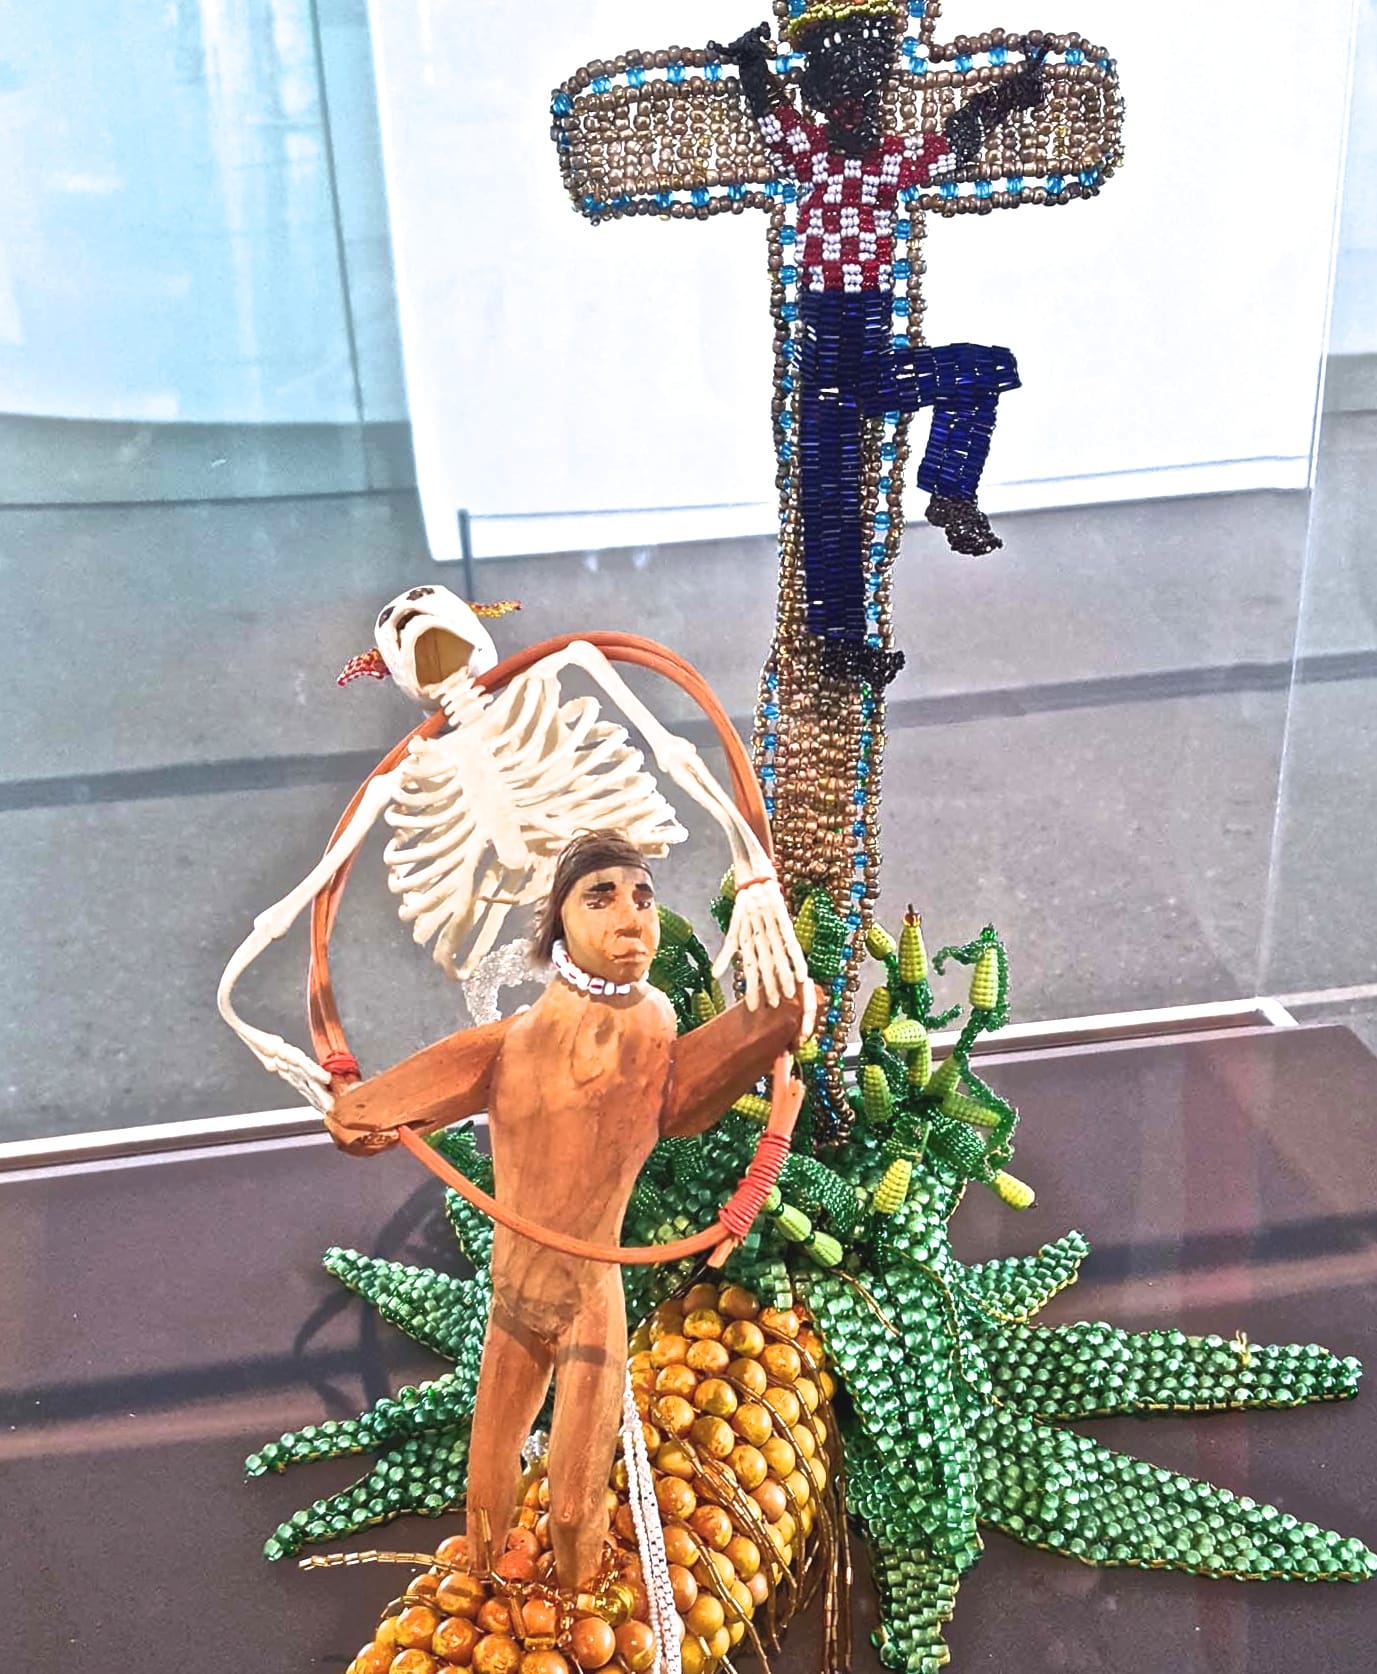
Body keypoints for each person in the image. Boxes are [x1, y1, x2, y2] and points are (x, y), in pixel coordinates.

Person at [324, 830, 815, 1589]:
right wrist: (349, 1095)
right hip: (513, 1298)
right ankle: (485, 1605)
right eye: (601, 897)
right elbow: (361, 1122)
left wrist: (780, 1009)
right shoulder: (512, 1045)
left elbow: (690, 1097)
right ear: (559, 919)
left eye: (643, 896)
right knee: (485, 1500)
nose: (631, 915)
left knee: (576, 1508)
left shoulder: (652, 1037)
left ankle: (582, 1610)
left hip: (590, 1298)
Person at [712, 8, 1047, 684]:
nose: (855, 109)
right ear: (822, 100)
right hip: (826, 361)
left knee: (983, 369)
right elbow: (773, 115)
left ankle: (950, 492)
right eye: (841, 97)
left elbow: (956, 140)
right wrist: (750, 61)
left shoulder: (891, 162)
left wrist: (1011, 92)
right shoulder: (808, 155)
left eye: (865, 95)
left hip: (869, 362)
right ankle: (840, 649)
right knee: (829, 507)